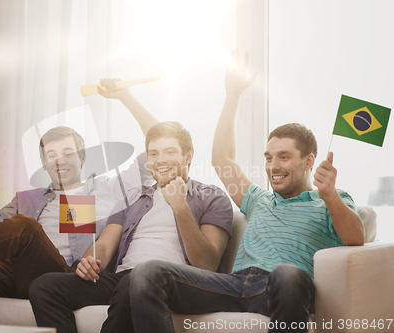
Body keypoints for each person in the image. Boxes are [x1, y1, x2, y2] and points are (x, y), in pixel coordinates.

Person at [124, 50, 365, 333]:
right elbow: (222, 159)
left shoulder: (329, 200)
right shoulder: (259, 198)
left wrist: (330, 195)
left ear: (309, 161)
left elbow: (355, 237)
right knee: (146, 273)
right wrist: (232, 96)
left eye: (284, 157)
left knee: (288, 274)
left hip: (280, 287)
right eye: (268, 157)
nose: (273, 166)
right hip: (234, 285)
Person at [0, 78, 158, 299]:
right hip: (20, 275)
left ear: (83, 157)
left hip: (69, 278)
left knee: (26, 228)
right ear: (44, 164)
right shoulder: (27, 199)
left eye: (68, 153)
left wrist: (126, 97)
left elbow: (159, 144)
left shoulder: (110, 188)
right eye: (51, 155)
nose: (59, 161)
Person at [29, 121, 233, 333]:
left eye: (169, 151)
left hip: (177, 281)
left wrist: (180, 207)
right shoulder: (132, 198)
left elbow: (206, 264)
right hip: (125, 279)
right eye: (153, 154)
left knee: (138, 279)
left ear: (188, 156)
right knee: (44, 286)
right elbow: (105, 246)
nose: (160, 160)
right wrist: (89, 261)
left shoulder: (212, 196)